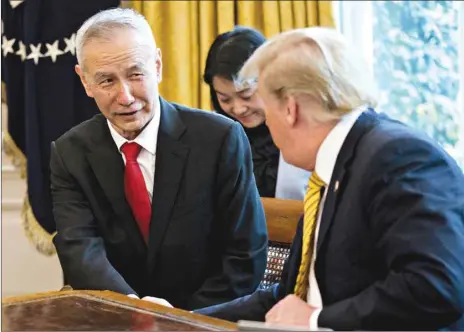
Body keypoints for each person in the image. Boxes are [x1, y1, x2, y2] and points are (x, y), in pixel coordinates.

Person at [196, 27, 464, 330]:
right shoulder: (333, 166)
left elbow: (435, 288)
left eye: (266, 108)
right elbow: (288, 299)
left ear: (290, 109)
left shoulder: (398, 156)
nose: (264, 122)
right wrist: (182, 321)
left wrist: (314, 320)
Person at [49, 8, 268, 311]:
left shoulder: (220, 138)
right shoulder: (69, 152)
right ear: (85, 81)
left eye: (136, 74)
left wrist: (179, 320)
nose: (125, 96)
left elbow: (245, 255)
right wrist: (134, 312)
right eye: (107, 81)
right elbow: (80, 250)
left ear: (158, 66)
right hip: (118, 318)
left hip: (206, 318)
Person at [203, 26, 310, 200]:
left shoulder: (305, 126)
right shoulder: (214, 134)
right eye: (225, 99)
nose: (238, 109)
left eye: (246, 95)